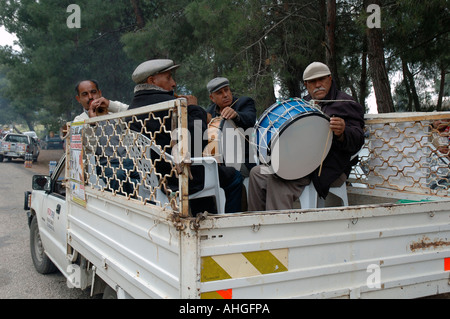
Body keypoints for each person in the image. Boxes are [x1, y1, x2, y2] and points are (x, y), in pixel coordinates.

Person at [127, 59, 243, 214]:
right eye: (168, 78)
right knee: (234, 177)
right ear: (152, 80)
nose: (174, 83)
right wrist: (194, 108)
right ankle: (230, 225)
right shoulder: (171, 106)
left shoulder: (132, 109)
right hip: (178, 177)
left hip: (153, 178)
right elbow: (197, 144)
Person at [248, 61, 365, 211]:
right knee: (257, 173)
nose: (317, 85)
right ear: (306, 84)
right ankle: (257, 224)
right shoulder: (303, 103)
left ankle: (280, 229)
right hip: (299, 162)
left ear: (330, 79)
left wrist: (343, 132)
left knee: (278, 178)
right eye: (312, 82)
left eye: (321, 79)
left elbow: (358, 139)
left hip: (327, 168)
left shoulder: (345, 103)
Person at [73, 79, 138, 196]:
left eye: (93, 92)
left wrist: (110, 104)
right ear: (79, 99)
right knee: (118, 175)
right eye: (85, 94)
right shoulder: (79, 120)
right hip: (103, 165)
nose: (90, 97)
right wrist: (92, 122)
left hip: (127, 161)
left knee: (146, 176)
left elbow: (135, 113)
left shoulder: (113, 112)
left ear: (100, 93)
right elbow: (89, 147)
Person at [205, 77, 257, 177]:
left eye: (226, 90)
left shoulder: (244, 102)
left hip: (243, 161)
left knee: (231, 176)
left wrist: (236, 115)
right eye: (219, 93)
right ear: (212, 98)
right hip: (218, 163)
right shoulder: (209, 112)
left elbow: (250, 119)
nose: (225, 95)